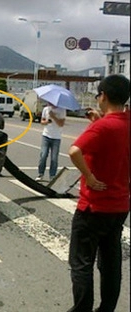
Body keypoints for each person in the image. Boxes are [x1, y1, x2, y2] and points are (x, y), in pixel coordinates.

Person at [67, 74, 130, 312]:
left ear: (103, 96)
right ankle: (107, 308)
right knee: (111, 261)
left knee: (81, 262)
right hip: (119, 206)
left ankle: (82, 308)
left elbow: (75, 151)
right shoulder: (123, 122)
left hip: (93, 207)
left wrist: (90, 178)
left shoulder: (103, 127)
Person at [35, 102, 66, 181]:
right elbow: (42, 121)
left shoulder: (62, 110)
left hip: (56, 137)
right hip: (46, 135)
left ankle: (52, 175)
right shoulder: (46, 109)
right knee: (43, 155)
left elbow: (61, 124)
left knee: (54, 158)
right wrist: (46, 122)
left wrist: (53, 116)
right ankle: (40, 174)